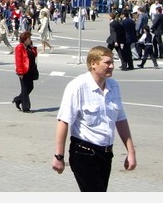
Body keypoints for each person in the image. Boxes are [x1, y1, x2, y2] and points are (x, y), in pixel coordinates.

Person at [51, 45, 137, 191]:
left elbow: (120, 120)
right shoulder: (77, 86)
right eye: (107, 62)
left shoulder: (113, 86)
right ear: (93, 64)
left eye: (112, 62)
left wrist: (131, 152)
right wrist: (59, 156)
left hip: (106, 154)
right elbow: (63, 121)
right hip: (83, 153)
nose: (111, 66)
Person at [12, 30, 38, 112]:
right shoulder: (19, 47)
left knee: (30, 87)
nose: (30, 39)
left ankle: (18, 100)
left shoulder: (29, 47)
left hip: (30, 70)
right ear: (25, 39)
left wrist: (32, 46)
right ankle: (26, 108)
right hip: (23, 71)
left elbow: (35, 55)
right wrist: (20, 72)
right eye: (29, 38)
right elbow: (18, 60)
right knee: (25, 89)